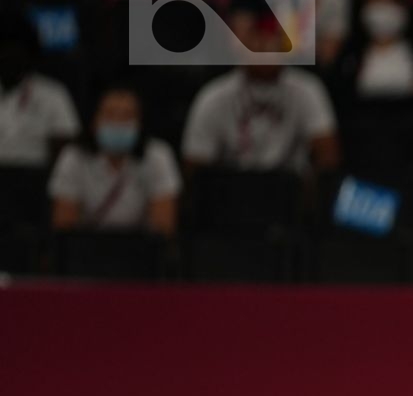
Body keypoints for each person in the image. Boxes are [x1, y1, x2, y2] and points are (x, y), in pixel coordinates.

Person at [182, 14, 340, 173]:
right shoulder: (213, 97)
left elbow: (328, 156)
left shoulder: (308, 90)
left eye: (271, 41)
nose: (265, 48)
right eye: (258, 40)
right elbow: (195, 164)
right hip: (232, 183)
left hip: (289, 183)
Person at [48, 84, 179, 236]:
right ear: (94, 121)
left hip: (141, 247)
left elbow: (163, 228)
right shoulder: (73, 156)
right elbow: (64, 227)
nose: (118, 123)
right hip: (85, 246)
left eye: (127, 116)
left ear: (140, 123)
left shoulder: (158, 156)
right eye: (110, 115)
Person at [0, 6, 80, 165]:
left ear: (29, 53)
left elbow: (66, 152)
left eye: (15, 50)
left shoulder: (53, 94)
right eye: (2, 49)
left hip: (38, 175)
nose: (7, 56)